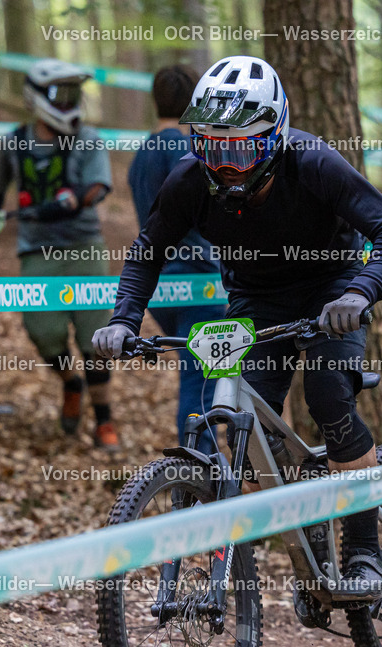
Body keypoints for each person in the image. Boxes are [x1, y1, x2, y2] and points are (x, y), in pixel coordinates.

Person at [94, 56, 382, 599]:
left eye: (241, 148)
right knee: (243, 420)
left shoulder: (313, 162)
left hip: (331, 293)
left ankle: (363, 548)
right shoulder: (188, 181)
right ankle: (302, 535)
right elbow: (147, 251)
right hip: (255, 299)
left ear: (274, 137)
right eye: (212, 147)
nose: (226, 165)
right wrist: (123, 318)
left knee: (327, 394)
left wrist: (360, 292)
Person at [0, 59, 120, 452]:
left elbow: (97, 187)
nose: (68, 103)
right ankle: (70, 384)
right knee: (43, 333)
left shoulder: (88, 139)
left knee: (96, 339)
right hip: (36, 252)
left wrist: (71, 201)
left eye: (73, 94)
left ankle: (105, 420)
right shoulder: (14, 142)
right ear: (36, 97)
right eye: (61, 94)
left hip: (85, 247)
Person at [128, 65, 225, 455]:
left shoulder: (142, 153)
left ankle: (206, 468)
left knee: (201, 378)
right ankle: (202, 472)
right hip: (200, 283)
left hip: (159, 287)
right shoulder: (185, 151)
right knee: (199, 384)